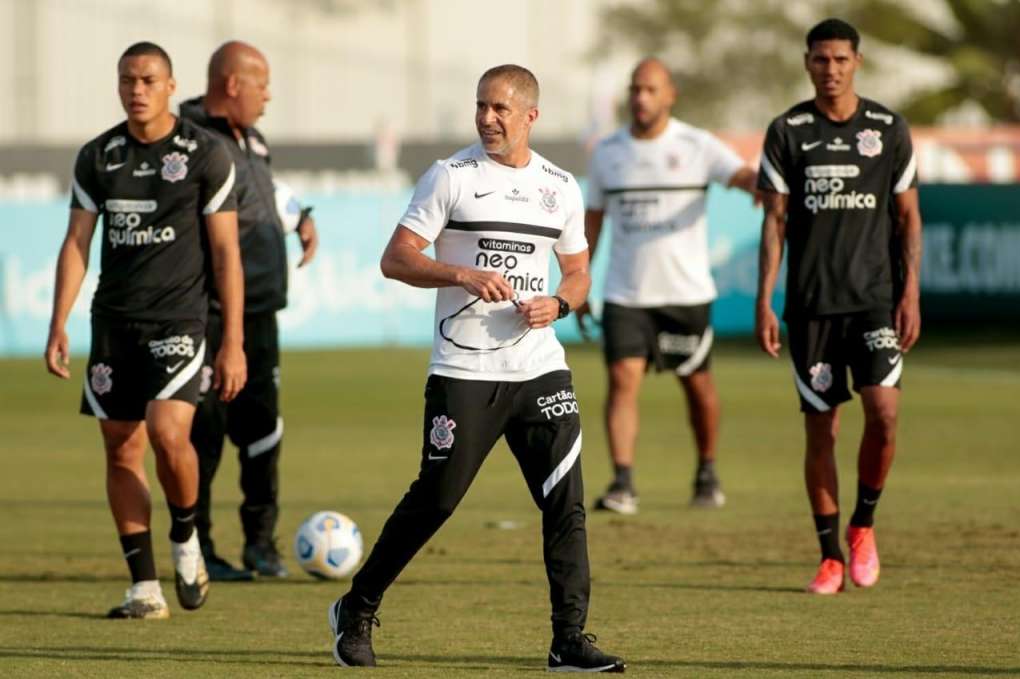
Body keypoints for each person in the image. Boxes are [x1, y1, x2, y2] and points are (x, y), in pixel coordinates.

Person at [325, 65, 625, 673]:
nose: (488, 119)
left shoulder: (561, 186)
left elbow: (579, 274)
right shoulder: (450, 177)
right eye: (481, 107)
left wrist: (560, 303)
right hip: (463, 370)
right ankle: (356, 607)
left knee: (565, 502)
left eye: (501, 109)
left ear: (530, 116)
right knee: (436, 500)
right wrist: (459, 272)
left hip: (541, 370)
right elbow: (396, 259)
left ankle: (568, 640)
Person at [44, 42, 247, 618]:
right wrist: (59, 322)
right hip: (113, 322)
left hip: (180, 319)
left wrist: (231, 341)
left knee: (167, 431)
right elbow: (77, 242)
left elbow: (227, 255)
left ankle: (186, 536)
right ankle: (145, 588)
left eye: (149, 79)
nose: (137, 89)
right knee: (120, 447)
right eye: (128, 79)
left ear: (169, 84)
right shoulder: (97, 156)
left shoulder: (205, 154)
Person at [755, 18, 922, 594]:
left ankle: (863, 525)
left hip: (875, 301)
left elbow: (908, 218)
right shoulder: (788, 130)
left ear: (857, 61)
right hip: (811, 307)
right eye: (821, 60)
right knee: (821, 430)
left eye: (841, 60)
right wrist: (765, 300)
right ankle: (829, 556)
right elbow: (774, 223)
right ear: (807, 62)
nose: (831, 70)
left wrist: (911, 292)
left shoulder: (887, 128)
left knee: (885, 412)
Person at [580, 58, 758, 515]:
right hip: (626, 293)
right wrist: (577, 282)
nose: (641, 97)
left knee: (697, 385)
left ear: (669, 94)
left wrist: (767, 186)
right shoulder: (608, 152)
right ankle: (622, 482)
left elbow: (741, 177)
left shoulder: (696, 145)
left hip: (685, 294)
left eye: (650, 89)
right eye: (635, 89)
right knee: (622, 380)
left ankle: (707, 469)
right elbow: (593, 220)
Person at [181, 41, 319, 581]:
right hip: (208, 312)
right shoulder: (188, 138)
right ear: (233, 84)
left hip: (260, 309)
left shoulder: (252, 137)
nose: (269, 94)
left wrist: (300, 215)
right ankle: (200, 549)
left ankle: (261, 545)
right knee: (204, 434)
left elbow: (265, 194)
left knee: (263, 431)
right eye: (261, 83)